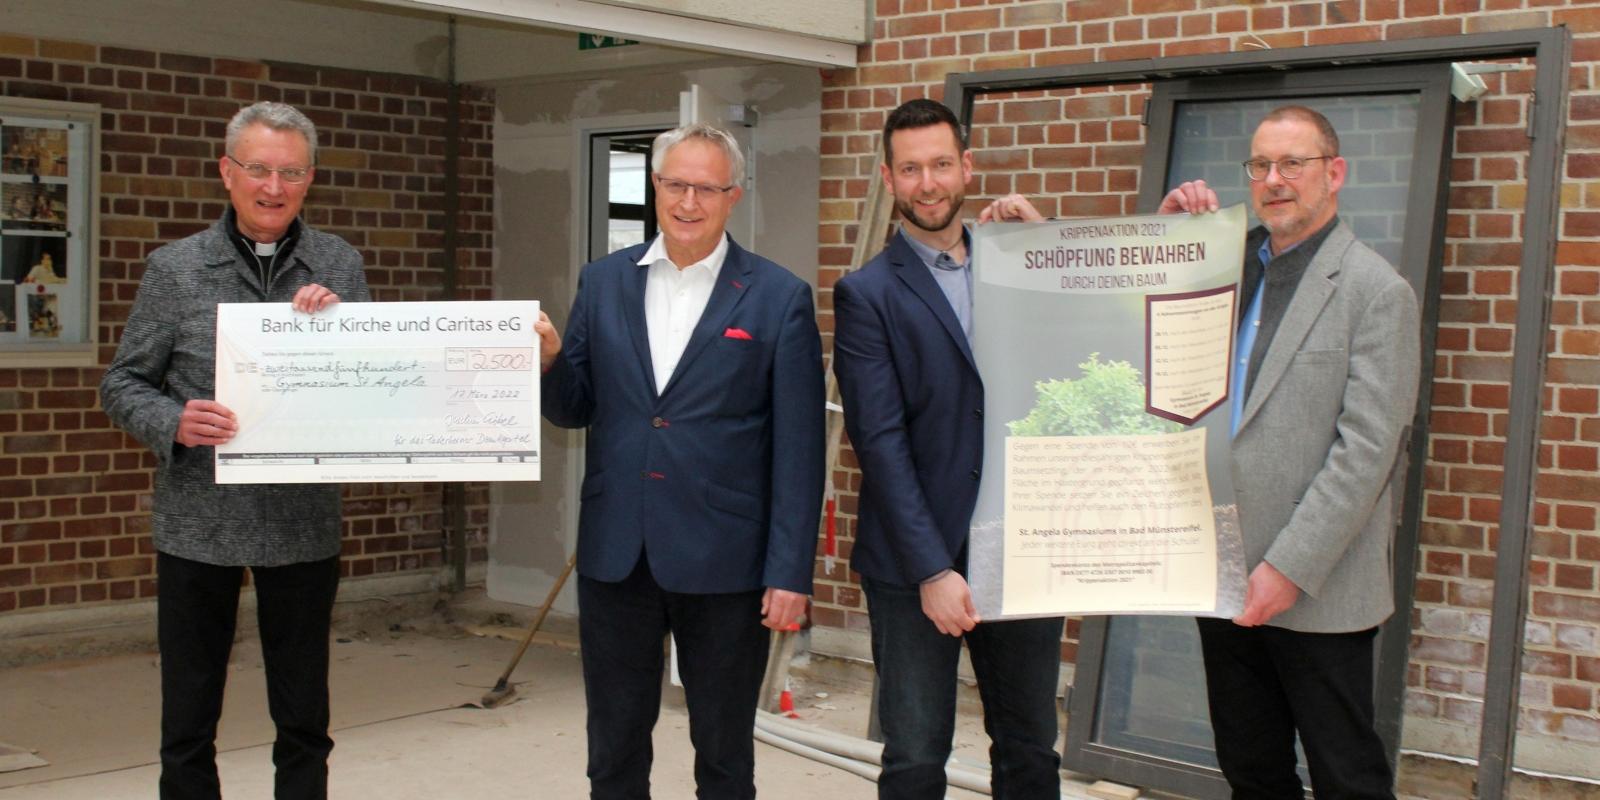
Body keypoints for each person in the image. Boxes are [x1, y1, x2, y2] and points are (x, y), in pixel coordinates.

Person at [535, 123, 825, 799]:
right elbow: (576, 406)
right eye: (674, 184)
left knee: (723, 756)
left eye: (706, 187)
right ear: (655, 188)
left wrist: (789, 573)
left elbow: (799, 450)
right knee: (613, 750)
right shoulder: (604, 282)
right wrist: (549, 360)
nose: (688, 201)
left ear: (733, 196)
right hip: (617, 557)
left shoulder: (778, 298)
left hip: (726, 564)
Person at [100, 101, 369, 800]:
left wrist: (341, 333)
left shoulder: (338, 264)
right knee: (189, 714)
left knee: (304, 713)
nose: (272, 188)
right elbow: (123, 381)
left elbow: (371, 389)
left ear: (310, 179)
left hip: (300, 522)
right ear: (227, 172)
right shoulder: (176, 268)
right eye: (257, 170)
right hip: (198, 521)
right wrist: (173, 420)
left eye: (290, 173)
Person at [1158, 105, 1420, 799]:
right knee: (1252, 768)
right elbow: (1152, 356)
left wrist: (1288, 568)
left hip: (1317, 588)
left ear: (1333, 174)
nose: (1274, 180)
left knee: (1347, 777)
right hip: (1225, 577)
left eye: (1292, 164)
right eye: (1260, 166)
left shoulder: (1376, 292)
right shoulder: (1224, 264)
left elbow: (1366, 453)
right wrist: (1170, 237)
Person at [831, 98, 1062, 799]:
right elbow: (879, 441)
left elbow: (1079, 348)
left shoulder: (1021, 263)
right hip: (913, 564)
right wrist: (934, 568)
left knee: (1029, 750)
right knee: (914, 756)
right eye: (910, 170)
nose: (927, 183)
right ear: (888, 179)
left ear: (967, 166)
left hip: (1018, 548)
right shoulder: (866, 294)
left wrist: (1049, 249)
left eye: (939, 164)